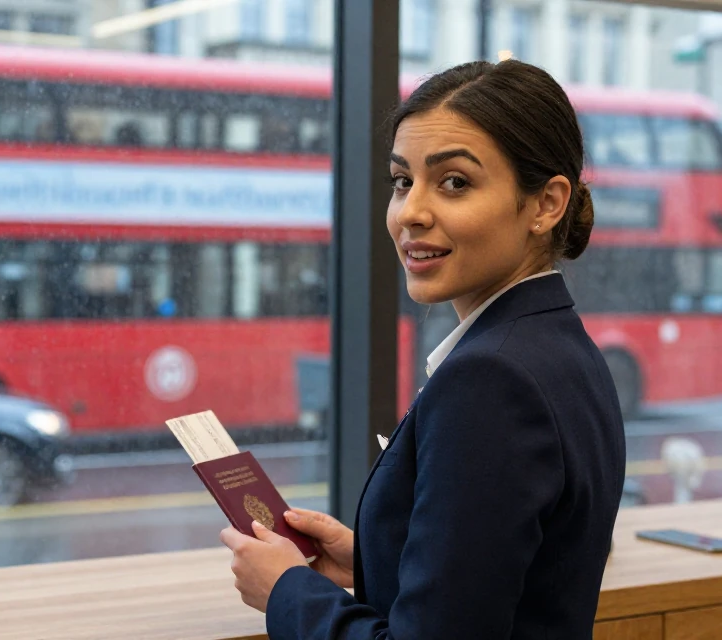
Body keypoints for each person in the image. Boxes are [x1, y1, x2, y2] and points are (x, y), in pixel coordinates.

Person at [218, 58, 627, 639]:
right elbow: (511, 577)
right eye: (402, 181)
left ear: (546, 204)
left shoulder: (491, 379)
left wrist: (287, 592)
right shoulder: (561, 346)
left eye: (455, 182)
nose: (410, 212)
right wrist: (373, 558)